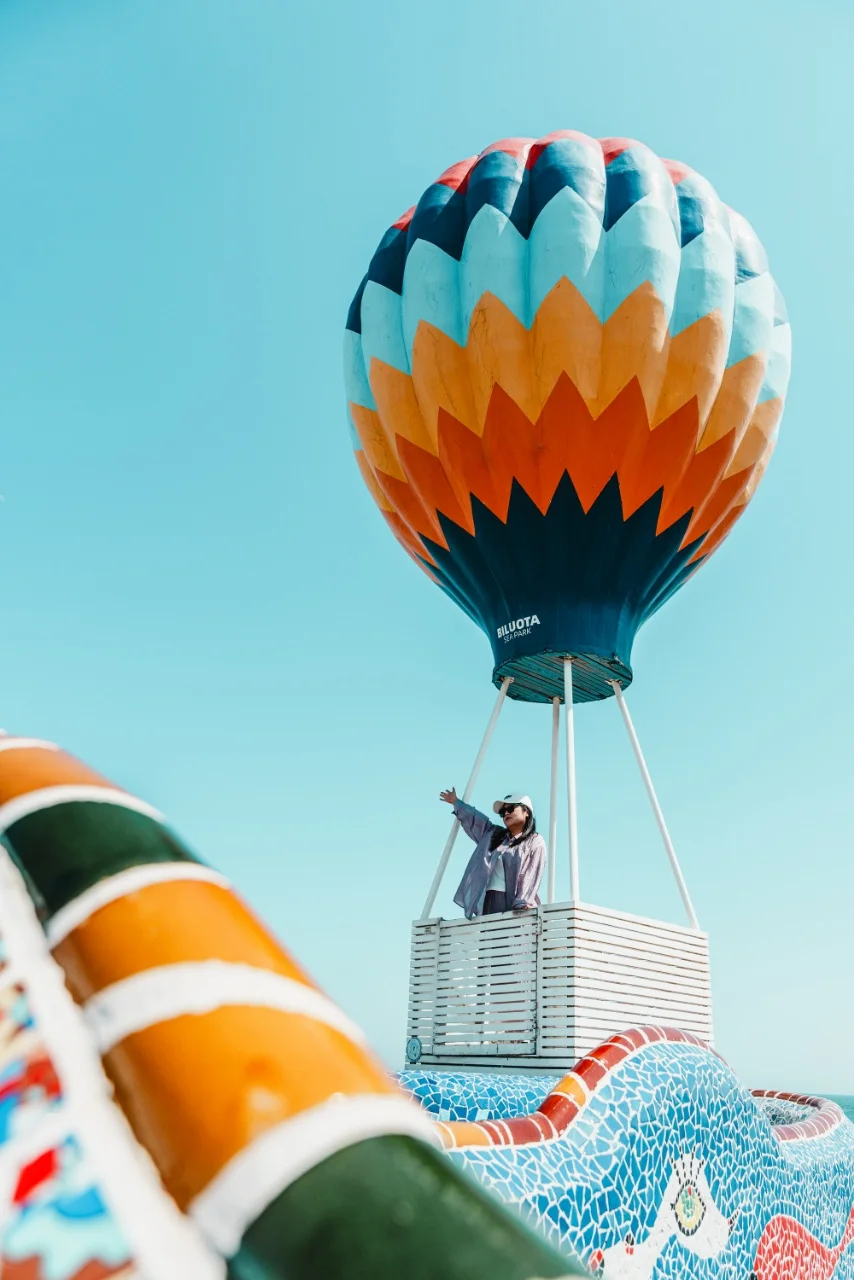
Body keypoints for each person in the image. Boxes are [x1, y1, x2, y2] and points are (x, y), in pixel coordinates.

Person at [439, 788, 546, 920]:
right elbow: (476, 821)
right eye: (502, 812)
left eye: (511, 809)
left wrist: (522, 903)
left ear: (526, 812)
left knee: (510, 938)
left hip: (516, 904)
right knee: (489, 937)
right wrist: (456, 802)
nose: (506, 813)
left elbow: (531, 874)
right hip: (490, 900)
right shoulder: (494, 834)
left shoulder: (534, 841)